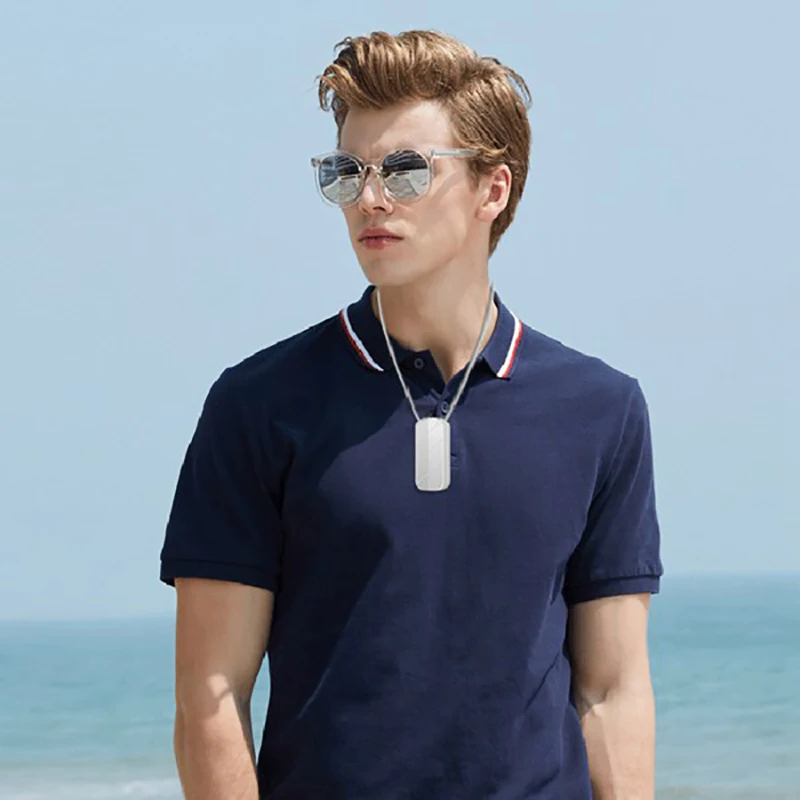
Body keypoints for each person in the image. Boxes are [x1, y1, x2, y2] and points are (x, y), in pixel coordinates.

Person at [159, 29, 664, 800]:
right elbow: (211, 695)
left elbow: (612, 690)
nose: (369, 199)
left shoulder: (601, 410)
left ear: (493, 190)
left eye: (404, 171)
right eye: (346, 173)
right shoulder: (257, 405)